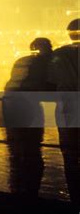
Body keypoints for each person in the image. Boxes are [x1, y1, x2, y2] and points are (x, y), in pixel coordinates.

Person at [3, 38, 53, 196]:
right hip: (28, 107)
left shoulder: (22, 60)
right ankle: (31, 192)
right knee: (33, 151)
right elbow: (48, 89)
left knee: (16, 152)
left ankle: (16, 190)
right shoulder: (44, 64)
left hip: (9, 105)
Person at [48, 19, 79, 204]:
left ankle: (75, 197)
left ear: (68, 33)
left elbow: (50, 82)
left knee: (69, 155)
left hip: (67, 107)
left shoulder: (59, 54)